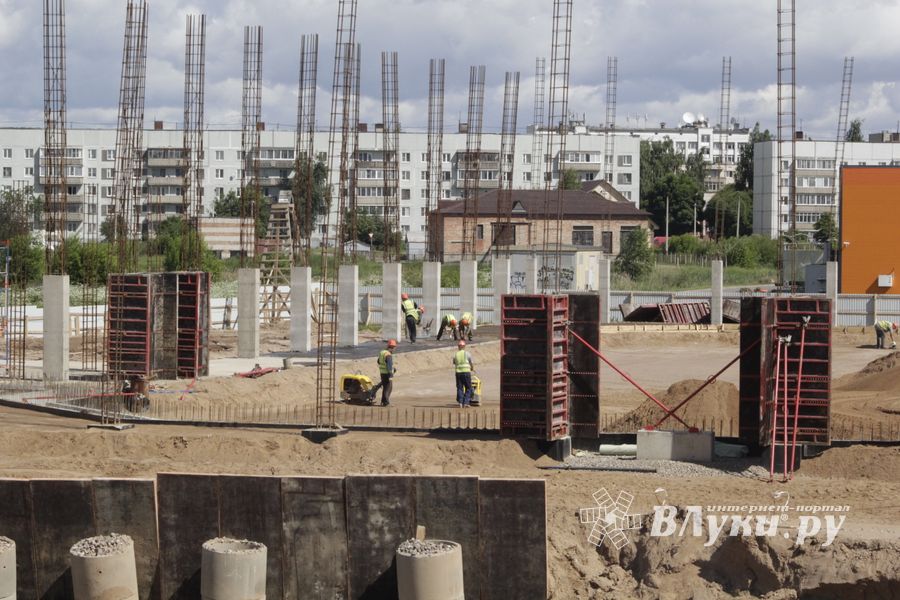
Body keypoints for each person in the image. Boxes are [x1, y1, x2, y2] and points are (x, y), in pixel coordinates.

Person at [369, 339, 397, 406]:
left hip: (382, 373)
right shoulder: (388, 354)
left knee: (385, 387)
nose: (394, 350)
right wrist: (390, 373)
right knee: (388, 388)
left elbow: (379, 361)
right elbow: (389, 365)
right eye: (394, 348)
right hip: (387, 373)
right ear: (392, 347)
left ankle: (383, 401)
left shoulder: (382, 352)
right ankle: (386, 402)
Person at [453, 340, 475, 408]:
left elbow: (454, 362)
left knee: (460, 388)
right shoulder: (467, 353)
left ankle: (460, 402)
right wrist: (472, 368)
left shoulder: (456, 354)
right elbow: (471, 362)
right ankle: (466, 402)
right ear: (464, 346)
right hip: (466, 372)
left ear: (458, 347)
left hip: (458, 373)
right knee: (468, 387)